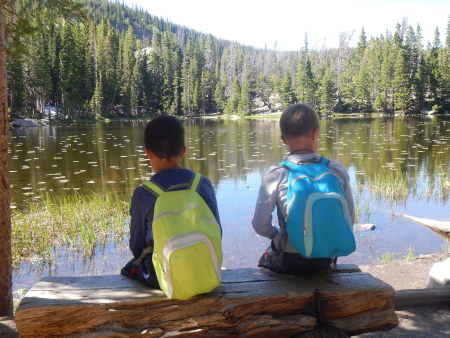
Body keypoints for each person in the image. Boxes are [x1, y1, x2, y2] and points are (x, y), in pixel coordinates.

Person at [252, 103, 355, 275]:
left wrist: (278, 236)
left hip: (291, 259)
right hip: (324, 258)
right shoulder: (336, 170)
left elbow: (259, 225)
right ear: (316, 133)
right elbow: (349, 220)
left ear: (283, 139)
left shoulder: (277, 174)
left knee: (264, 262)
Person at [121, 114, 221, 287]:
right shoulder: (202, 184)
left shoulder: (143, 193)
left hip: (163, 277)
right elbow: (217, 231)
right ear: (183, 151)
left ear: (147, 152)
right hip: (204, 269)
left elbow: (136, 246)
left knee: (128, 270)